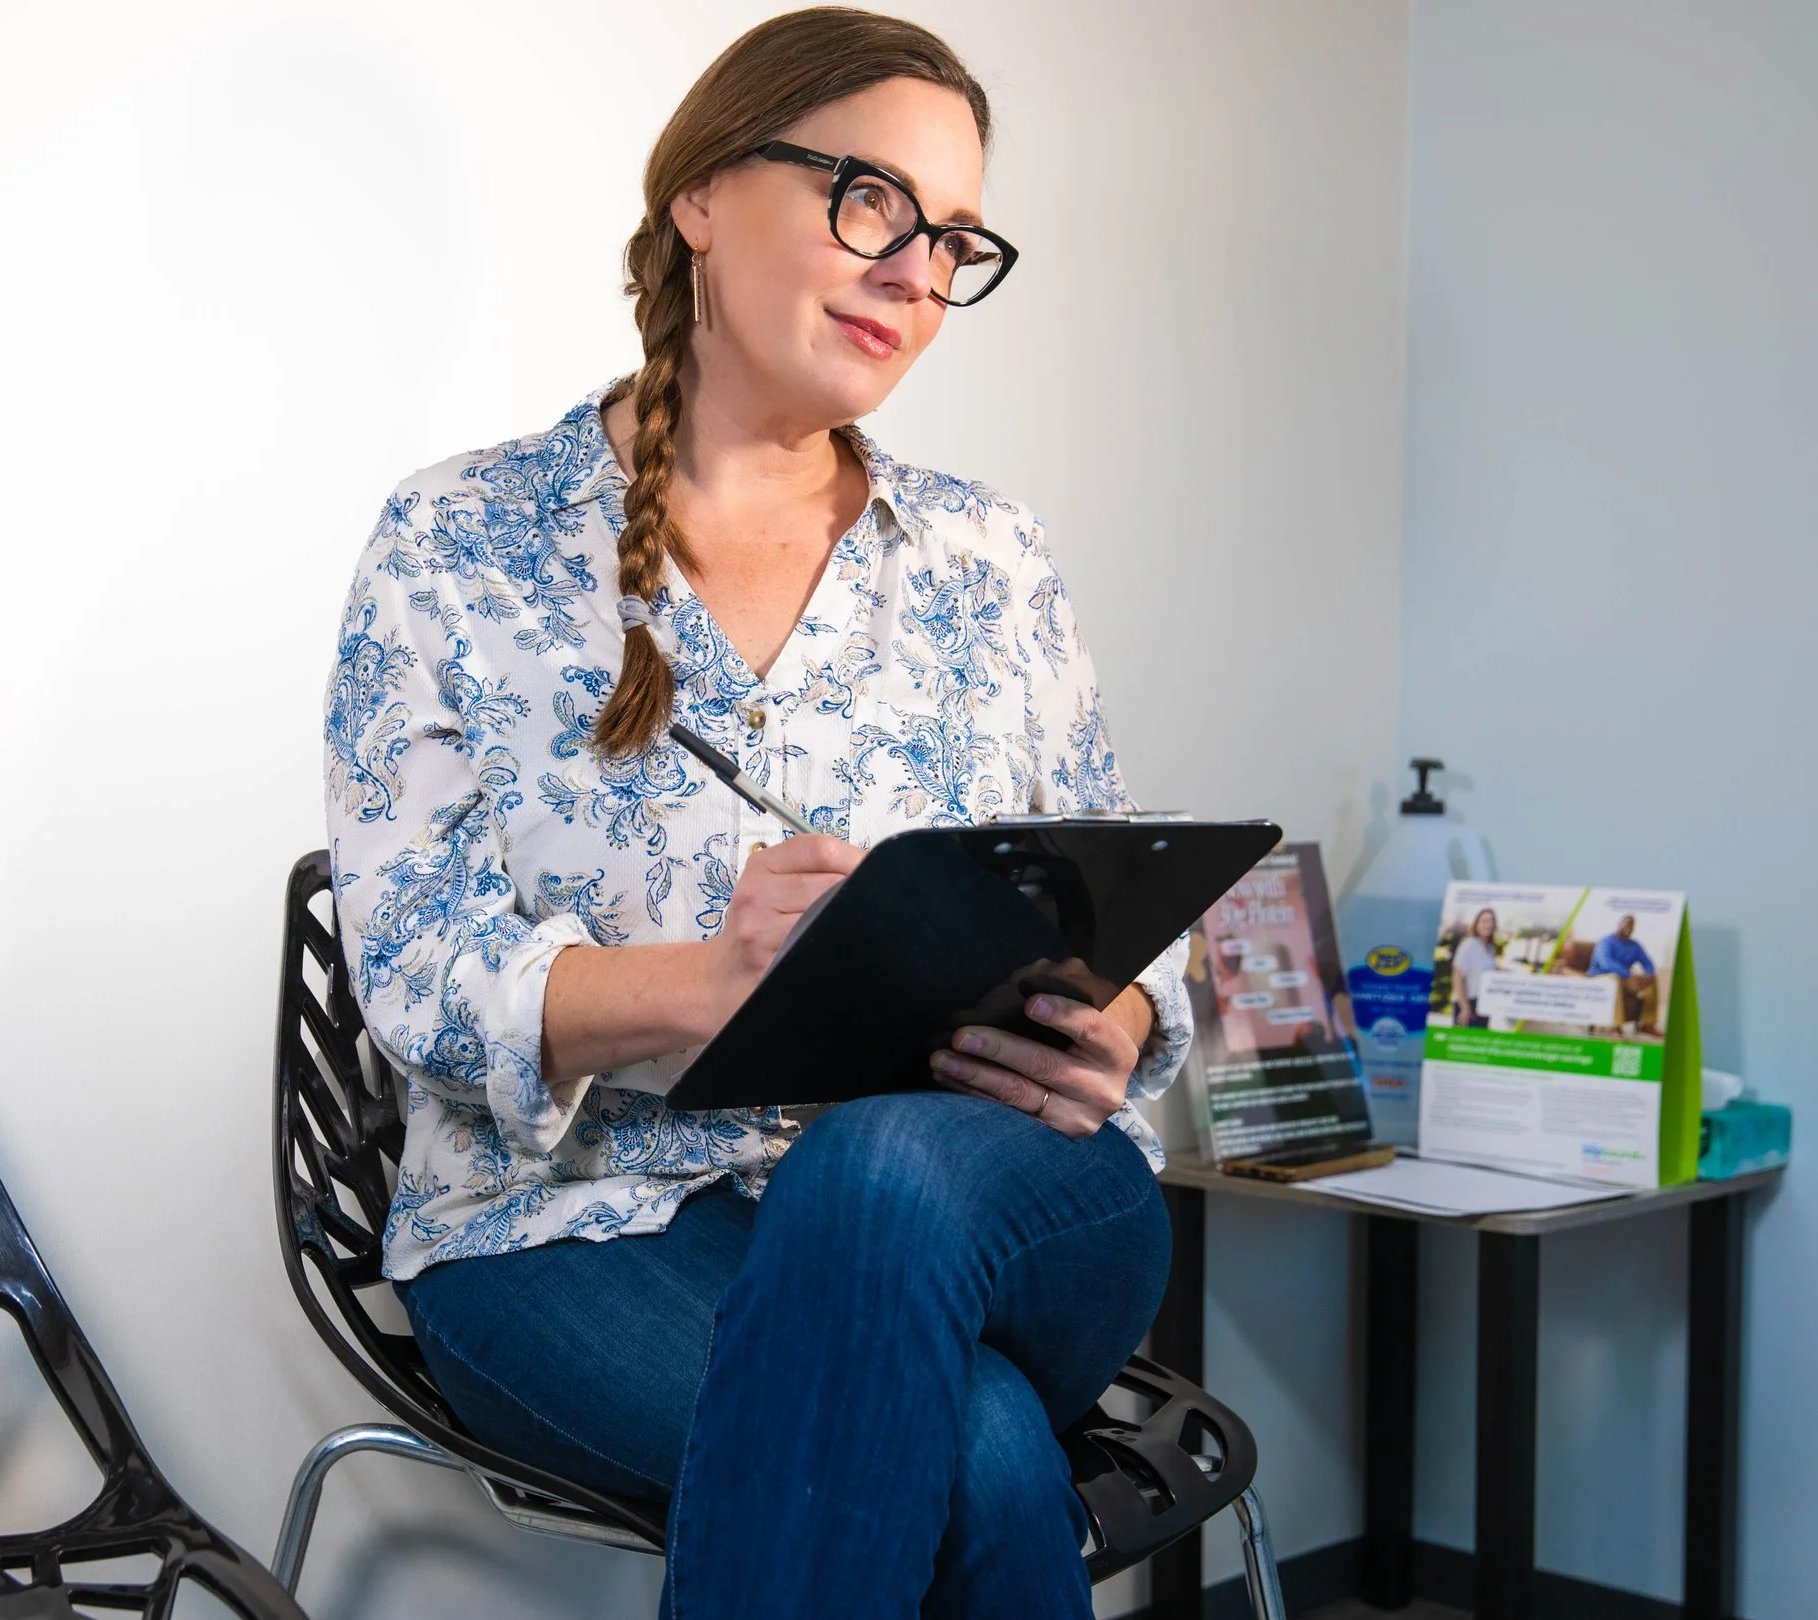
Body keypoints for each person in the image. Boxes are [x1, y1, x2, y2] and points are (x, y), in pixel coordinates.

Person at [321, 12, 1190, 1616]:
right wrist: (709, 985)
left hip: (999, 1193)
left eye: (953, 240)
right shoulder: (460, 541)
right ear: (703, 193)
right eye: (872, 200)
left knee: (880, 1180)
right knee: (985, 1454)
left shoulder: (991, 563)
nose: (915, 271)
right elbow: (416, 961)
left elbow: (1125, 914)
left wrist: (1119, 1016)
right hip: (575, 1228)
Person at [1589, 913, 1660, 1035]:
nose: (1629, 928)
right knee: (1614, 979)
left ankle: (1647, 1024)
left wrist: (1649, 974)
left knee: (1652, 981)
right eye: (1626, 924)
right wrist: (1627, 974)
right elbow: (1606, 963)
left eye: (1631, 926)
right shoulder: (1606, 942)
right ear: (1619, 925)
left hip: (1625, 977)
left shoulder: (1635, 945)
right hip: (1600, 976)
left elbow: (1648, 963)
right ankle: (1615, 1027)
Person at [1452, 906, 1500, 1028]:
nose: (1488, 924)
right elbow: (1457, 977)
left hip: (1484, 1004)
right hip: (1468, 1003)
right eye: (1484, 921)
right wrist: (1465, 1007)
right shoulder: (1469, 945)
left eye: (1491, 921)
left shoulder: (1490, 949)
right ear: (1477, 924)